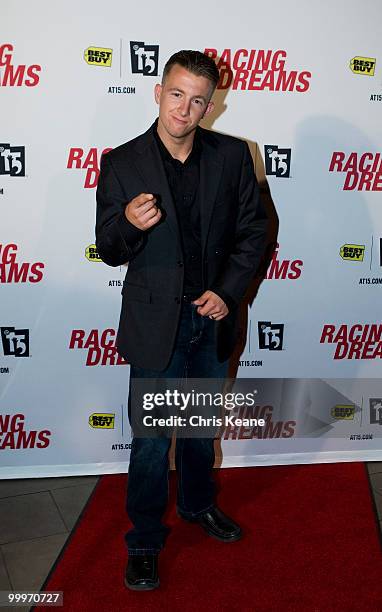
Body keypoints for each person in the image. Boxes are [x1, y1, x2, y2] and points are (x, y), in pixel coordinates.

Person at [96, 49, 268, 591]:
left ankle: (198, 506)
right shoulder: (122, 163)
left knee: (198, 433)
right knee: (150, 442)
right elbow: (108, 248)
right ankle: (144, 539)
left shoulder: (233, 156)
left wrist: (228, 291)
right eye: (177, 94)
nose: (185, 109)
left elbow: (254, 232)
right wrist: (126, 222)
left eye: (198, 100)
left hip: (210, 321)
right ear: (157, 92)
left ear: (210, 104)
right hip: (156, 329)